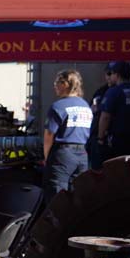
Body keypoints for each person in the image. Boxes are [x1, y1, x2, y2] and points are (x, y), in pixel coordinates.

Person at [43, 69, 93, 199]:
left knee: (57, 196)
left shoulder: (58, 106)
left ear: (66, 84)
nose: (54, 85)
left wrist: (47, 157)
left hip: (63, 155)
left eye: (57, 82)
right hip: (82, 155)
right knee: (77, 195)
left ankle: (57, 220)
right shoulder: (85, 106)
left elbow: (49, 135)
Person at [96, 60, 130, 161]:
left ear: (117, 74)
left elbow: (105, 117)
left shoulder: (114, 92)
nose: (107, 77)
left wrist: (100, 139)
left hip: (115, 141)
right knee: (128, 169)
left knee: (113, 170)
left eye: (109, 73)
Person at [86, 81, 109, 170]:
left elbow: (105, 117)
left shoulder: (112, 92)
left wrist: (100, 139)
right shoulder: (101, 91)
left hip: (101, 138)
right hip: (96, 137)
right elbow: (92, 109)